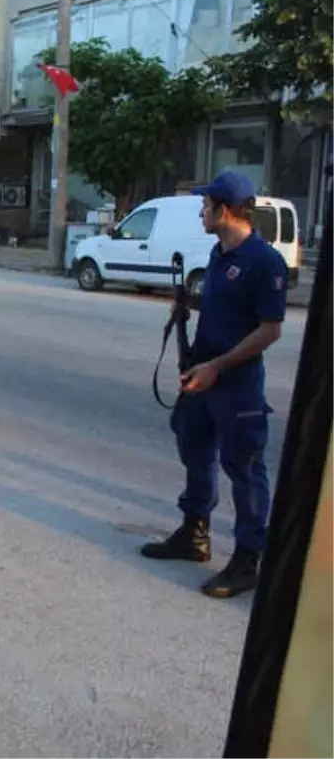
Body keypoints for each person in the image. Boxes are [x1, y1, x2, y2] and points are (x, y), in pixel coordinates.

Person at [141, 171, 288, 598]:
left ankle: (246, 561)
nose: (201, 212)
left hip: (235, 383)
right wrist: (189, 307)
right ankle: (194, 534)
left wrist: (218, 366)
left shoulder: (265, 261)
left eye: (205, 205)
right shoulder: (219, 252)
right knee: (195, 449)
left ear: (224, 210)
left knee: (244, 468)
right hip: (202, 374)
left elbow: (270, 328)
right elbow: (225, 306)